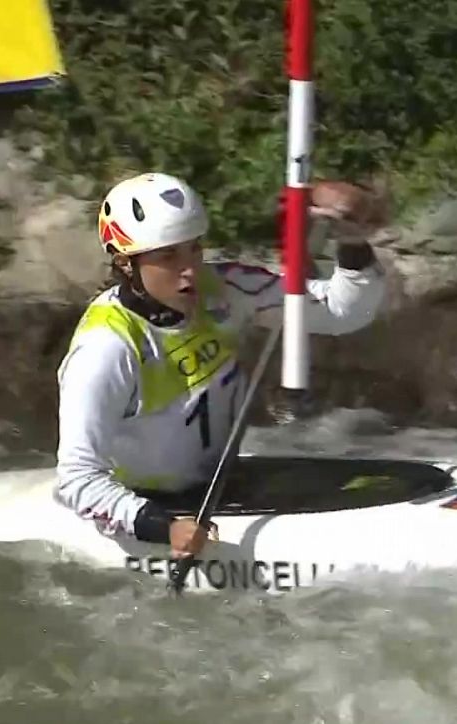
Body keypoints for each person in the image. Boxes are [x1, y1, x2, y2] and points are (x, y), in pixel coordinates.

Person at [54, 172, 389, 560]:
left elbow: (342, 312)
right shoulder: (107, 347)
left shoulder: (226, 289)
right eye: (168, 257)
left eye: (194, 249)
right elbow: (77, 479)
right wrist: (162, 526)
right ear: (126, 264)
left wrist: (351, 241)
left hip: (222, 484)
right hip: (150, 508)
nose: (190, 269)